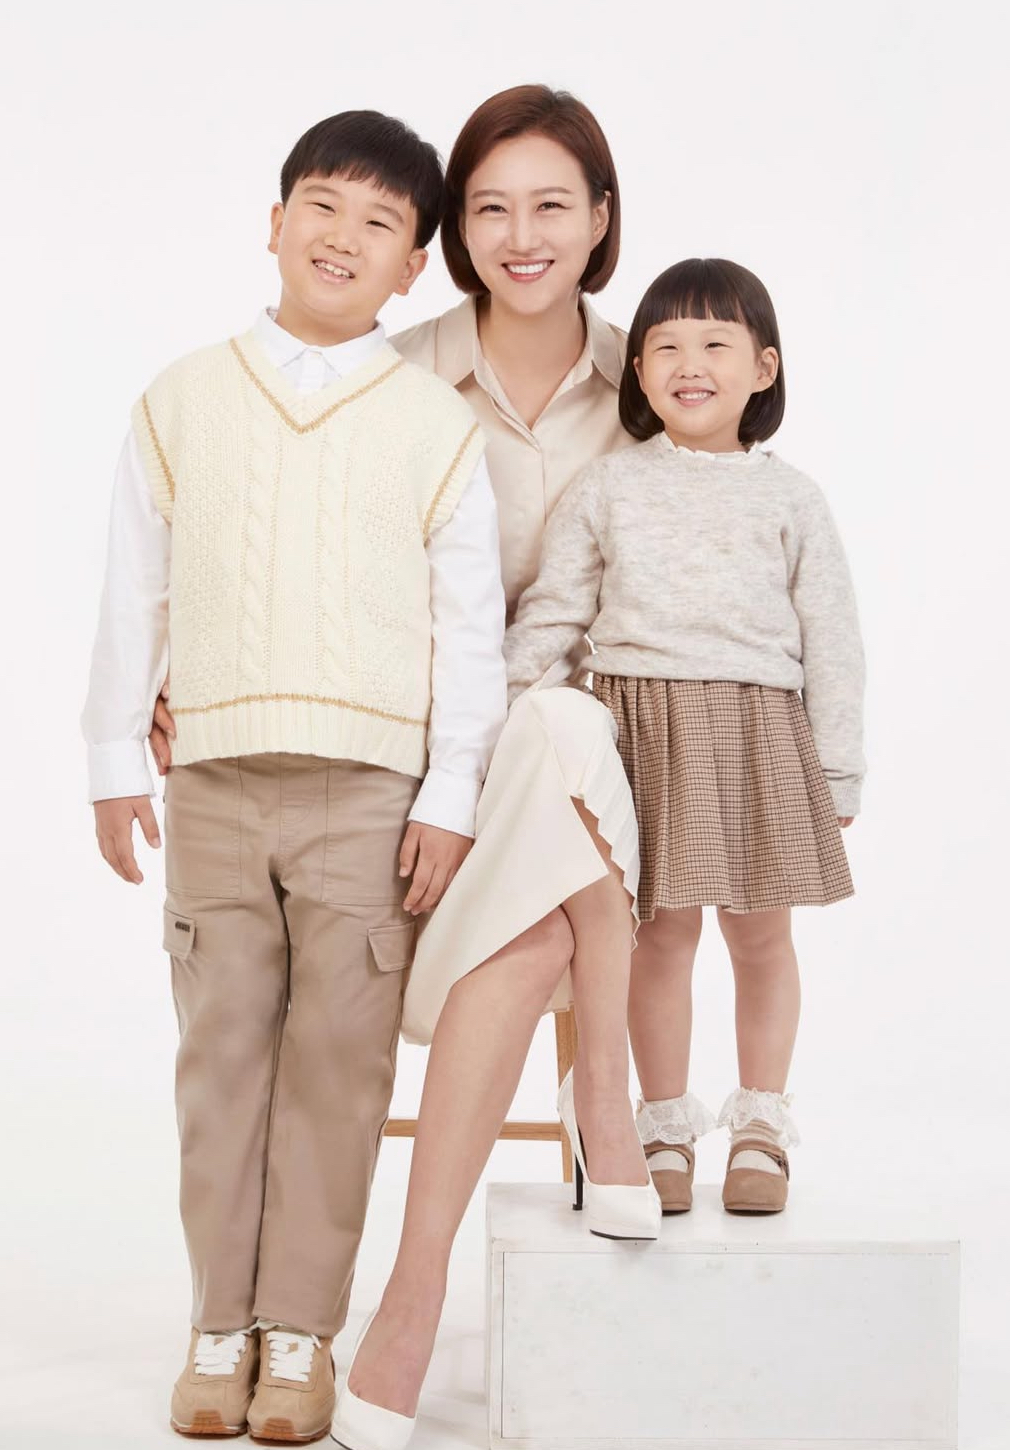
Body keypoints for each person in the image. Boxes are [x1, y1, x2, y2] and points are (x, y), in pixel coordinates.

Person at [146, 87, 659, 1450]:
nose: (520, 234)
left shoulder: (652, 379)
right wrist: (189, 673)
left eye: (551, 205)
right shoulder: (390, 369)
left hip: (587, 770)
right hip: (409, 768)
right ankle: (386, 1289)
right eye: (489, 206)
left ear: (600, 220)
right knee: (535, 932)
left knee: (564, 732)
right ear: (448, 241)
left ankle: (410, 1294)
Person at [82, 110, 510, 1443]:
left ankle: (299, 1333)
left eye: (381, 223)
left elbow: (469, 632)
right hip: (211, 780)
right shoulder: (179, 399)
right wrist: (112, 752)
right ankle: (218, 1322)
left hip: (370, 797)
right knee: (219, 1061)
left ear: (415, 266)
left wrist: (448, 794)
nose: (343, 236)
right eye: (322, 205)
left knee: (338, 1066)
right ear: (274, 223)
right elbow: (133, 588)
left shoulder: (432, 428)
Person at [505, 257, 865, 1219]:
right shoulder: (608, 486)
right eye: (663, 346)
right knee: (656, 936)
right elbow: (554, 612)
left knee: (761, 932)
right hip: (639, 732)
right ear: (638, 372)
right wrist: (498, 714)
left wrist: (837, 768)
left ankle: (761, 1127)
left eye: (714, 343)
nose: (688, 364)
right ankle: (662, 1125)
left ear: (763, 368)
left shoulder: (792, 499)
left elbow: (832, 640)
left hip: (757, 730)